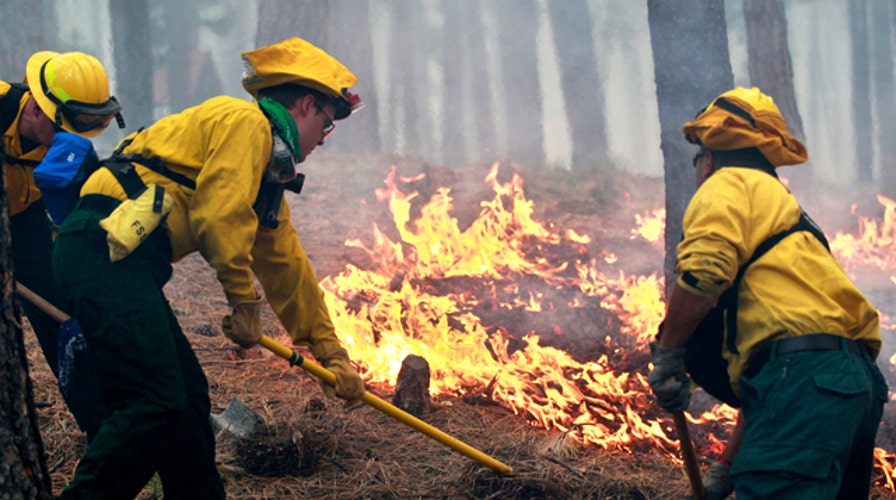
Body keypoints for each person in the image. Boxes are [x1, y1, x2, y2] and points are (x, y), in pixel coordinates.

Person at [51, 37, 366, 499]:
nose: (324, 137)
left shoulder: (265, 176)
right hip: (97, 251)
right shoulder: (247, 125)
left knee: (188, 403)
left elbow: (287, 269)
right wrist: (242, 300)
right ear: (305, 104)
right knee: (157, 400)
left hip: (123, 264)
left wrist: (330, 352)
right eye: (327, 122)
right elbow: (218, 217)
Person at [648, 87, 888, 499]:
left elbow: (703, 274)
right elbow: (776, 376)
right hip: (855, 388)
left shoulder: (726, 184)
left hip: (805, 384)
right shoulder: (787, 216)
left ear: (708, 157)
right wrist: (726, 468)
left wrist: (669, 350)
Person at [2, 50, 124, 441]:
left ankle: (103, 430)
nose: (75, 138)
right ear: (37, 108)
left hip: (24, 223)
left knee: (63, 322)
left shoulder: (72, 147)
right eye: (68, 126)